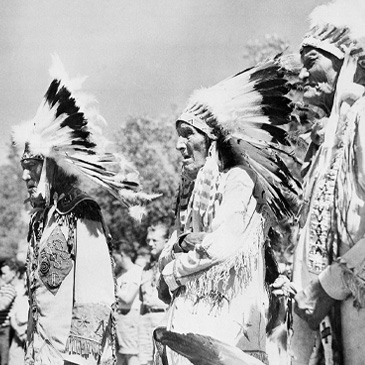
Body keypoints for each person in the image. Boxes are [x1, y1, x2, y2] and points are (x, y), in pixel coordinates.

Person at [157, 57, 300, 365]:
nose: (180, 145)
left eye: (188, 134)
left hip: (230, 333)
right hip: (193, 327)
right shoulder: (194, 190)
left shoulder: (238, 179)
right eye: (178, 135)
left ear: (211, 139)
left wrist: (170, 272)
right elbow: (176, 245)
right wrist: (181, 244)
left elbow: (220, 248)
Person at [11, 56, 153, 365]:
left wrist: (79, 359)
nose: (24, 175)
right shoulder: (40, 220)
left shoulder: (81, 211)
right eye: (23, 167)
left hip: (72, 359)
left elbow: (96, 293)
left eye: (31, 166)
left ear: (51, 166)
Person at [290, 1, 365, 364]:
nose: (301, 75)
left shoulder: (362, 120)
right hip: (327, 317)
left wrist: (327, 286)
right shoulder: (326, 140)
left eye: (311, 62)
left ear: (346, 62)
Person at [138, 224, 170, 365]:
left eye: (154, 241)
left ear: (167, 240)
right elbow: (141, 300)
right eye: (148, 240)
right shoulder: (146, 268)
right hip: (146, 321)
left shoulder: (171, 266)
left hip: (163, 319)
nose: (150, 244)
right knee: (144, 361)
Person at [113, 240, 143, 365]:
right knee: (118, 356)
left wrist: (113, 288)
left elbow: (127, 298)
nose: (115, 261)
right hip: (118, 318)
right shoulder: (120, 274)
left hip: (129, 317)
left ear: (122, 254)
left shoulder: (136, 271)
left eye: (116, 257)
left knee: (131, 354)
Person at [0, 260, 18, 365]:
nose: (2, 277)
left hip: (4, 330)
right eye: (1, 273)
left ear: (13, 273)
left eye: (5, 273)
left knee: (4, 359)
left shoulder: (10, 289)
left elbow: (2, 305)